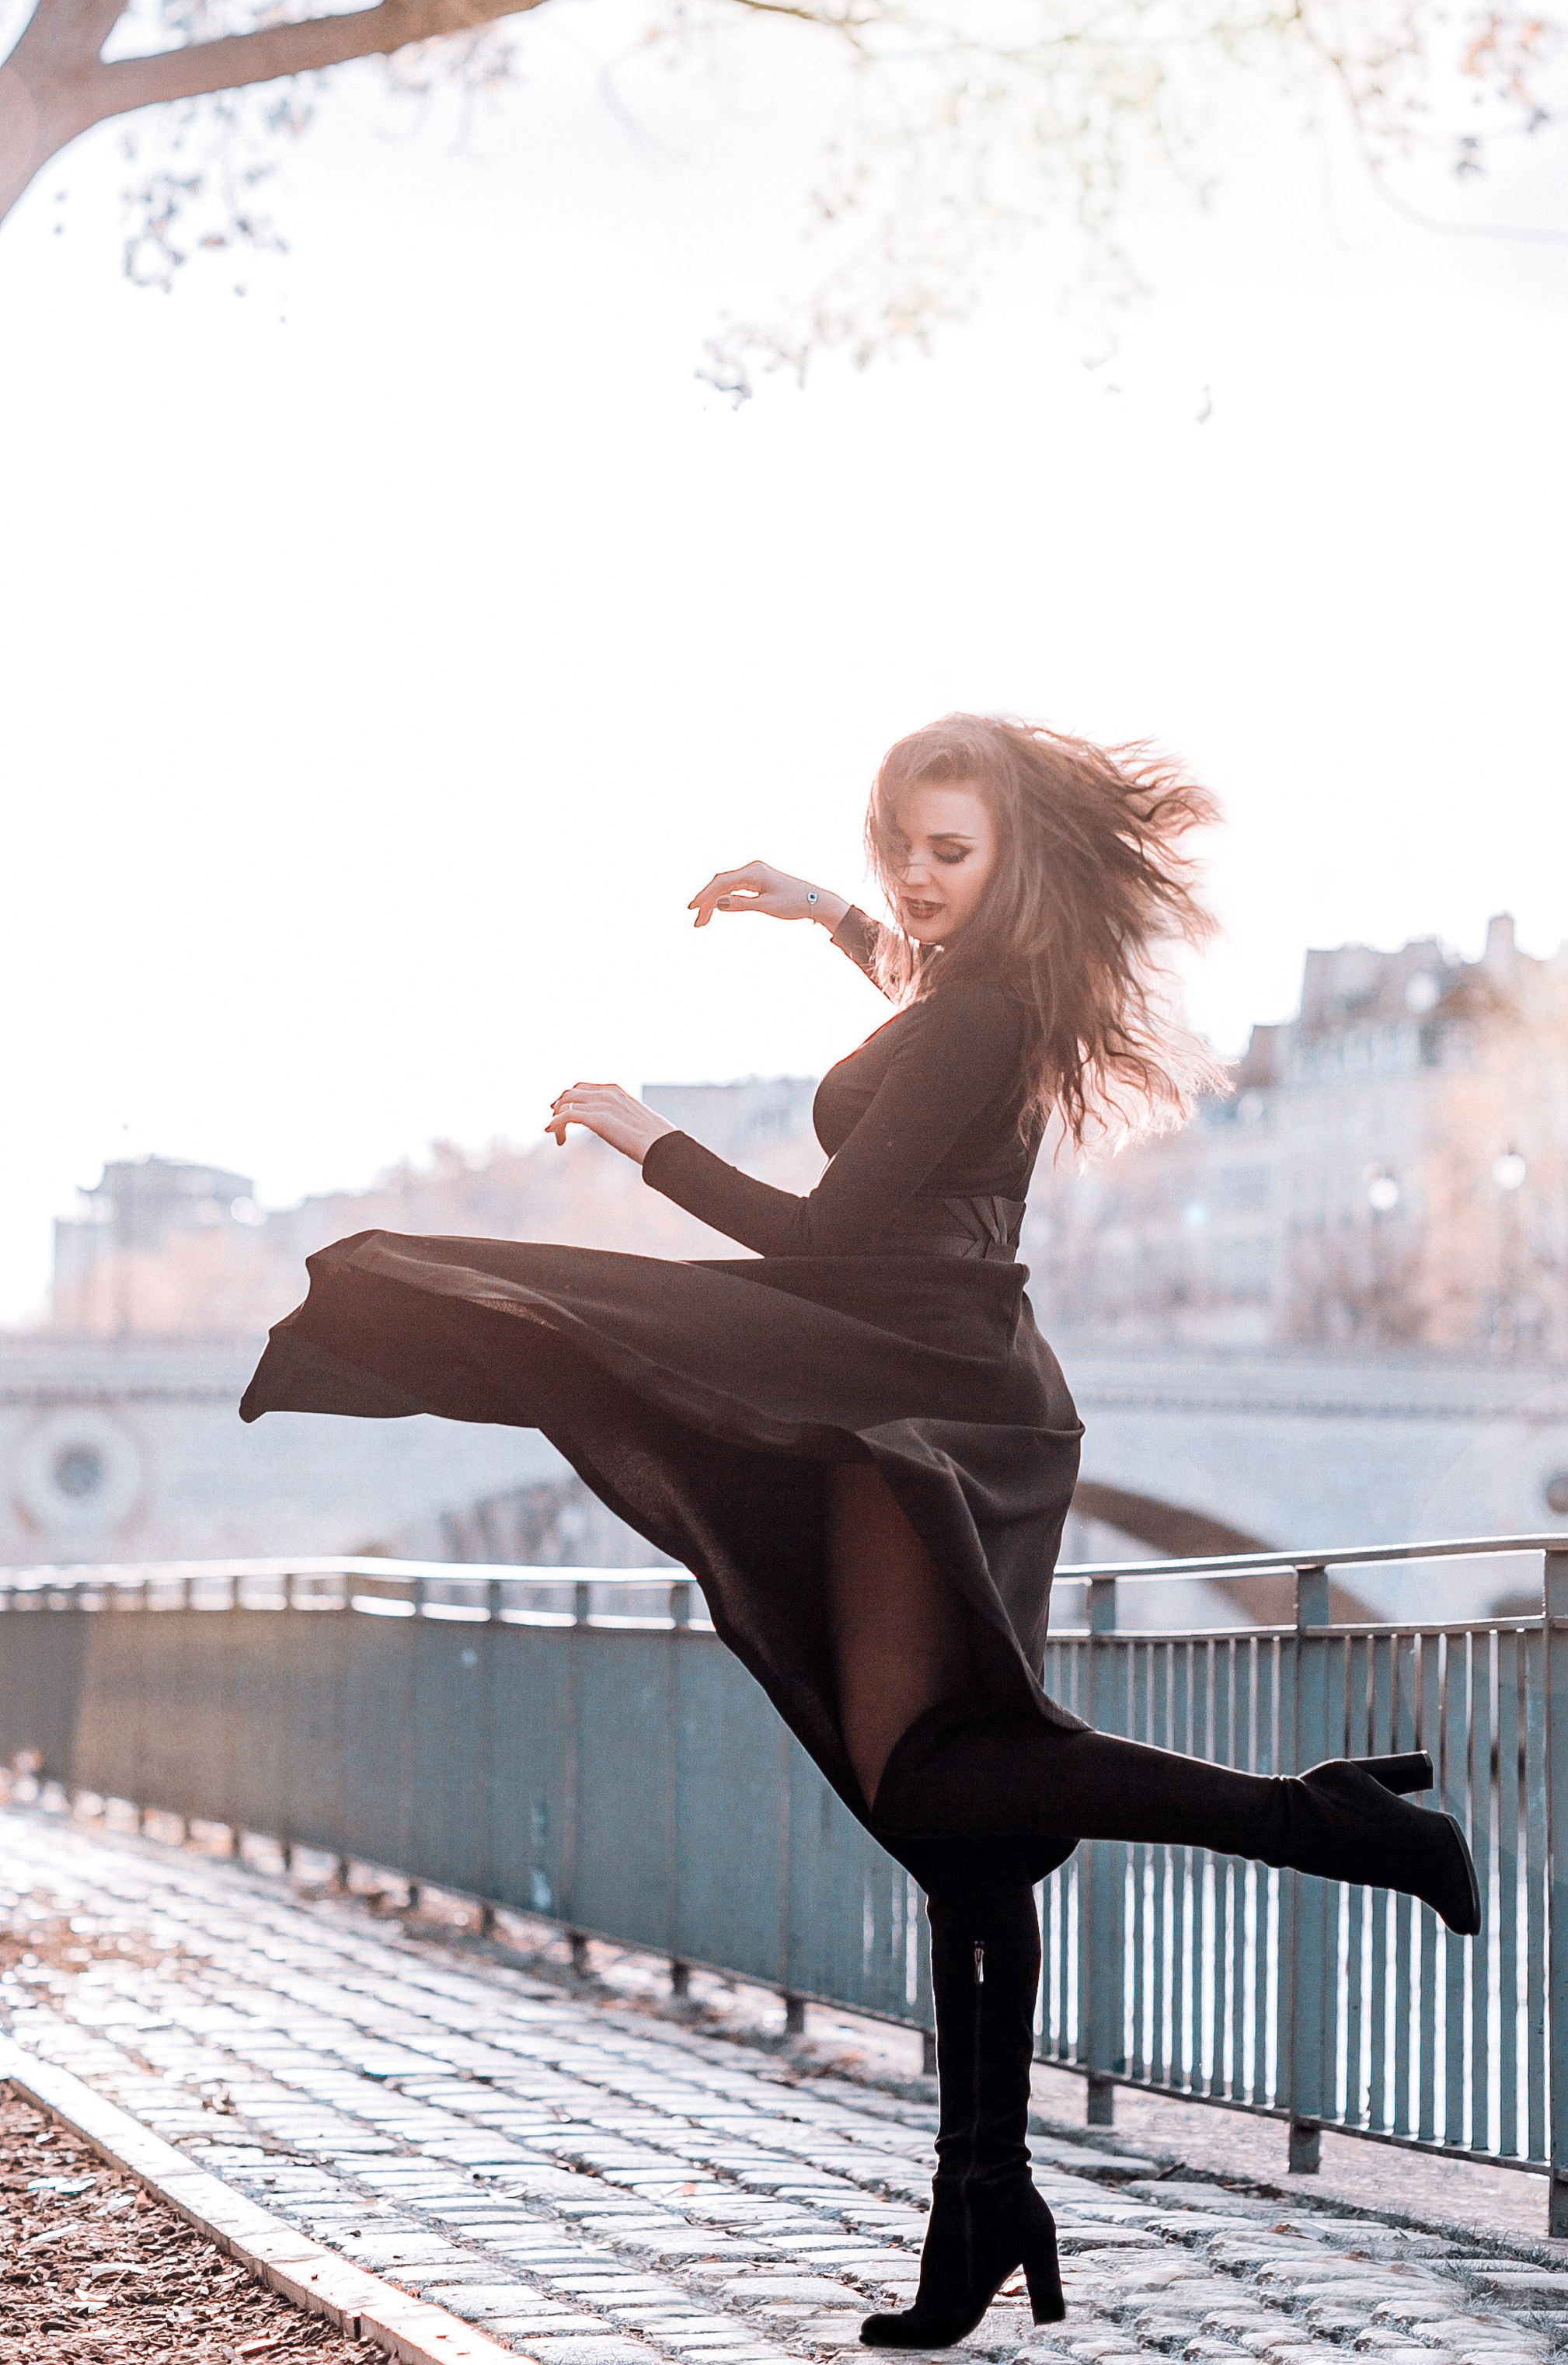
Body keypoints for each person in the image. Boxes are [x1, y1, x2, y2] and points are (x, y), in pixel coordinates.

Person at [240, 713, 1478, 2349]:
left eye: (946, 852)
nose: (917, 876)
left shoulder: (978, 1018)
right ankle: (983, 2198)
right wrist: (823, 910)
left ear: (1011, 865)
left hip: (912, 1390)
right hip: (926, 1385)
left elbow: (824, 1239)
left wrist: (641, 1134)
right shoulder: (972, 996)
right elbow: (921, 1017)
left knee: (936, 1774)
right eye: (901, 842)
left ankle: (1318, 1822)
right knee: (961, 1815)